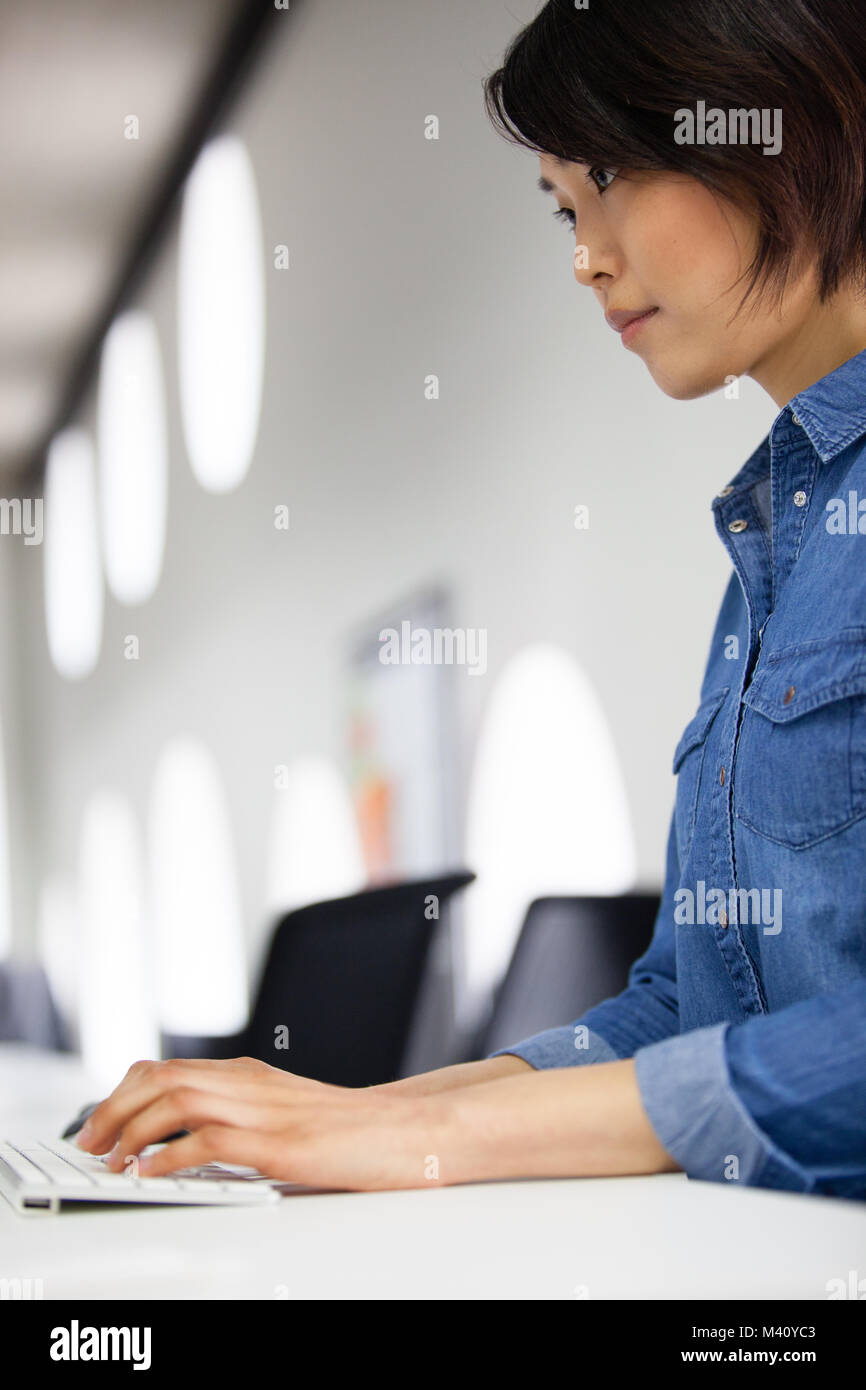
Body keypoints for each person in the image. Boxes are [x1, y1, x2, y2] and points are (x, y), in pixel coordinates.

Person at [77, 0, 866, 1200]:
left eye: (607, 176)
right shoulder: (777, 540)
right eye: (563, 205)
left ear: (785, 116)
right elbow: (685, 1004)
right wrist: (352, 1113)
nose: (583, 256)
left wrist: (399, 1143)